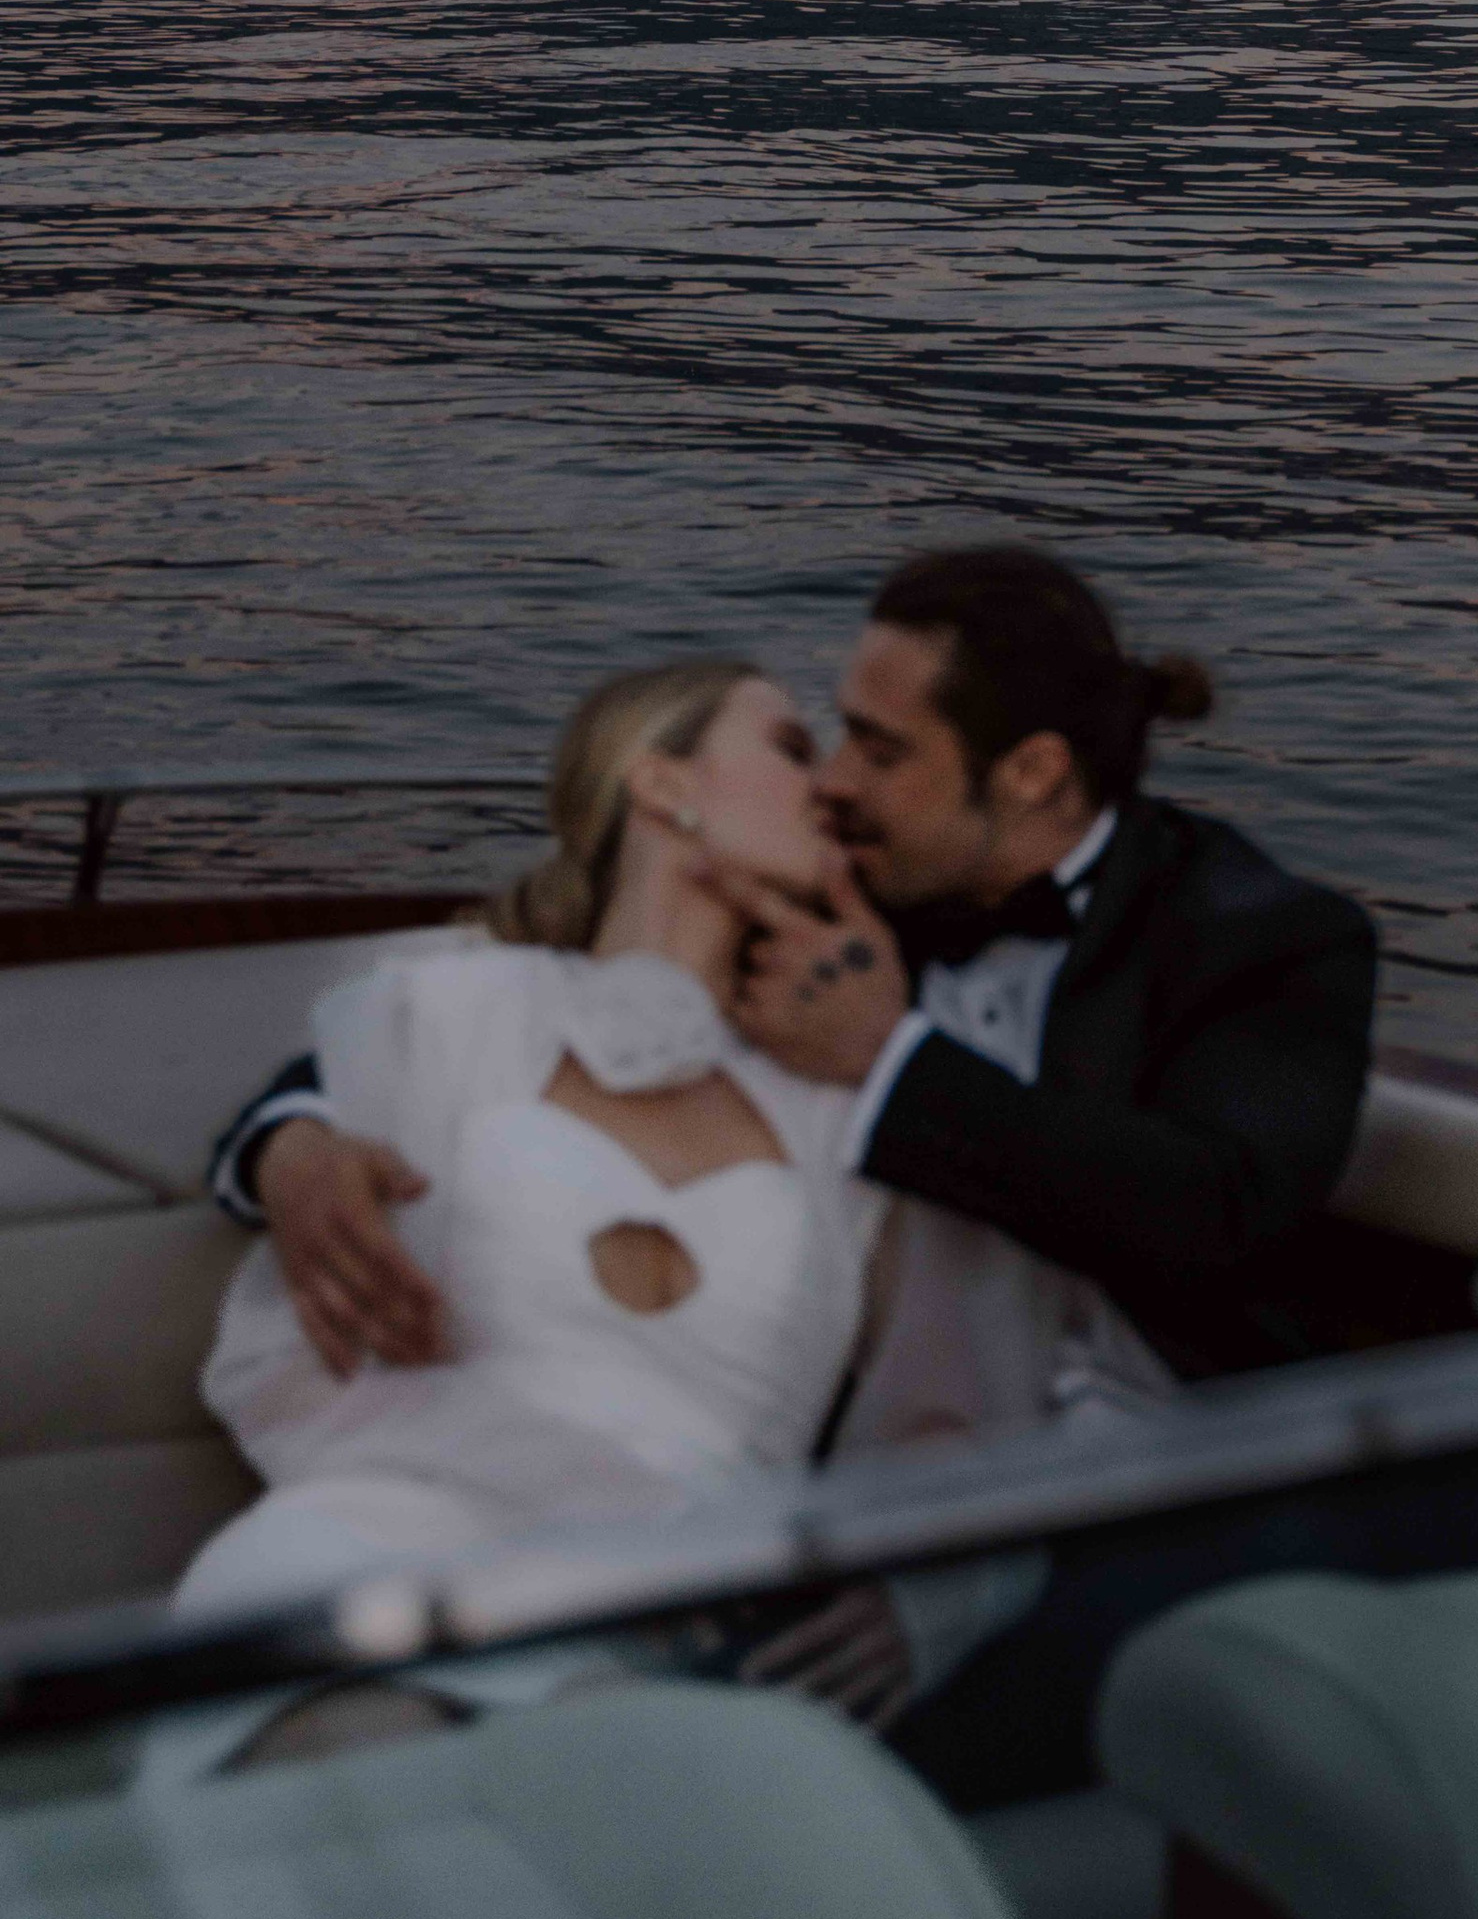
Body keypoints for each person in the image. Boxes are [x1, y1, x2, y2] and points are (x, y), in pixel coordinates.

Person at [212, 549, 1379, 1401]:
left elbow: (1214, 1216)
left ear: (1029, 772)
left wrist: (891, 1064)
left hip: (1177, 1456)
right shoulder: (844, 898)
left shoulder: (1268, 937)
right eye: (835, 734)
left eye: (880, 748)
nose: (835, 784)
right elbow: (511, 1012)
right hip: (865, 1442)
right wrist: (291, 1148)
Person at [179, 658, 886, 1619]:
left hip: (681, 1600)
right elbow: (279, 1121)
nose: (834, 785)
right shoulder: (460, 1009)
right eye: (794, 748)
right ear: (662, 783)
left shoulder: (843, 1104)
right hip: (375, 1552)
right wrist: (287, 1150)